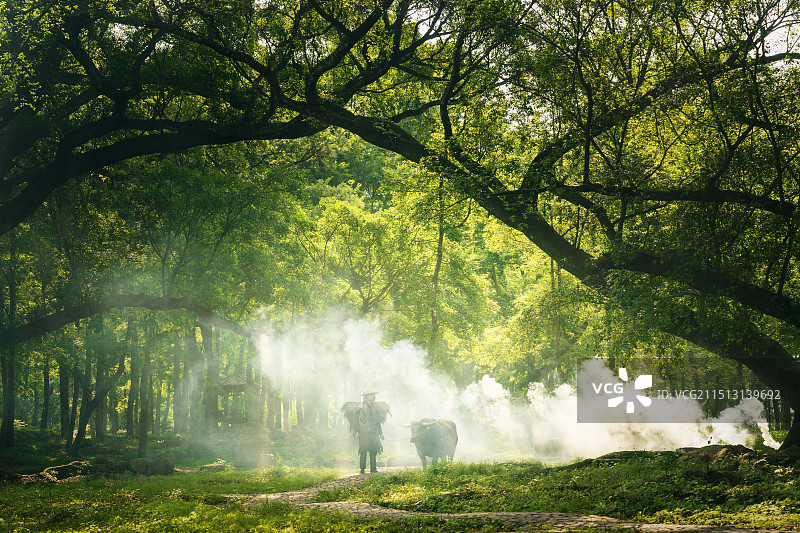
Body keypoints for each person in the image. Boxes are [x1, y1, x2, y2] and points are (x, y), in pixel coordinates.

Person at [341, 389, 390, 474]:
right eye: (372, 395)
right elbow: (356, 418)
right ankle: (362, 469)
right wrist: (358, 410)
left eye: (374, 395)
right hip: (364, 432)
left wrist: (381, 433)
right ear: (367, 396)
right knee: (363, 450)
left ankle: (373, 468)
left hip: (374, 432)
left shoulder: (375, 408)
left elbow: (377, 422)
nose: (374, 396)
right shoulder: (361, 406)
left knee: (374, 450)